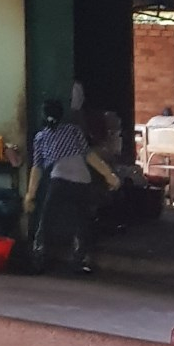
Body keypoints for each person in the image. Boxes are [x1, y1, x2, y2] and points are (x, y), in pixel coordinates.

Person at [26, 99, 121, 273]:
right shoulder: (73, 131)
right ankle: (81, 259)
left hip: (59, 181)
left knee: (47, 220)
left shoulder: (40, 138)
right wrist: (109, 175)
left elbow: (37, 168)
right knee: (82, 222)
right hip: (82, 181)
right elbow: (89, 156)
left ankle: (39, 257)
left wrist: (30, 195)